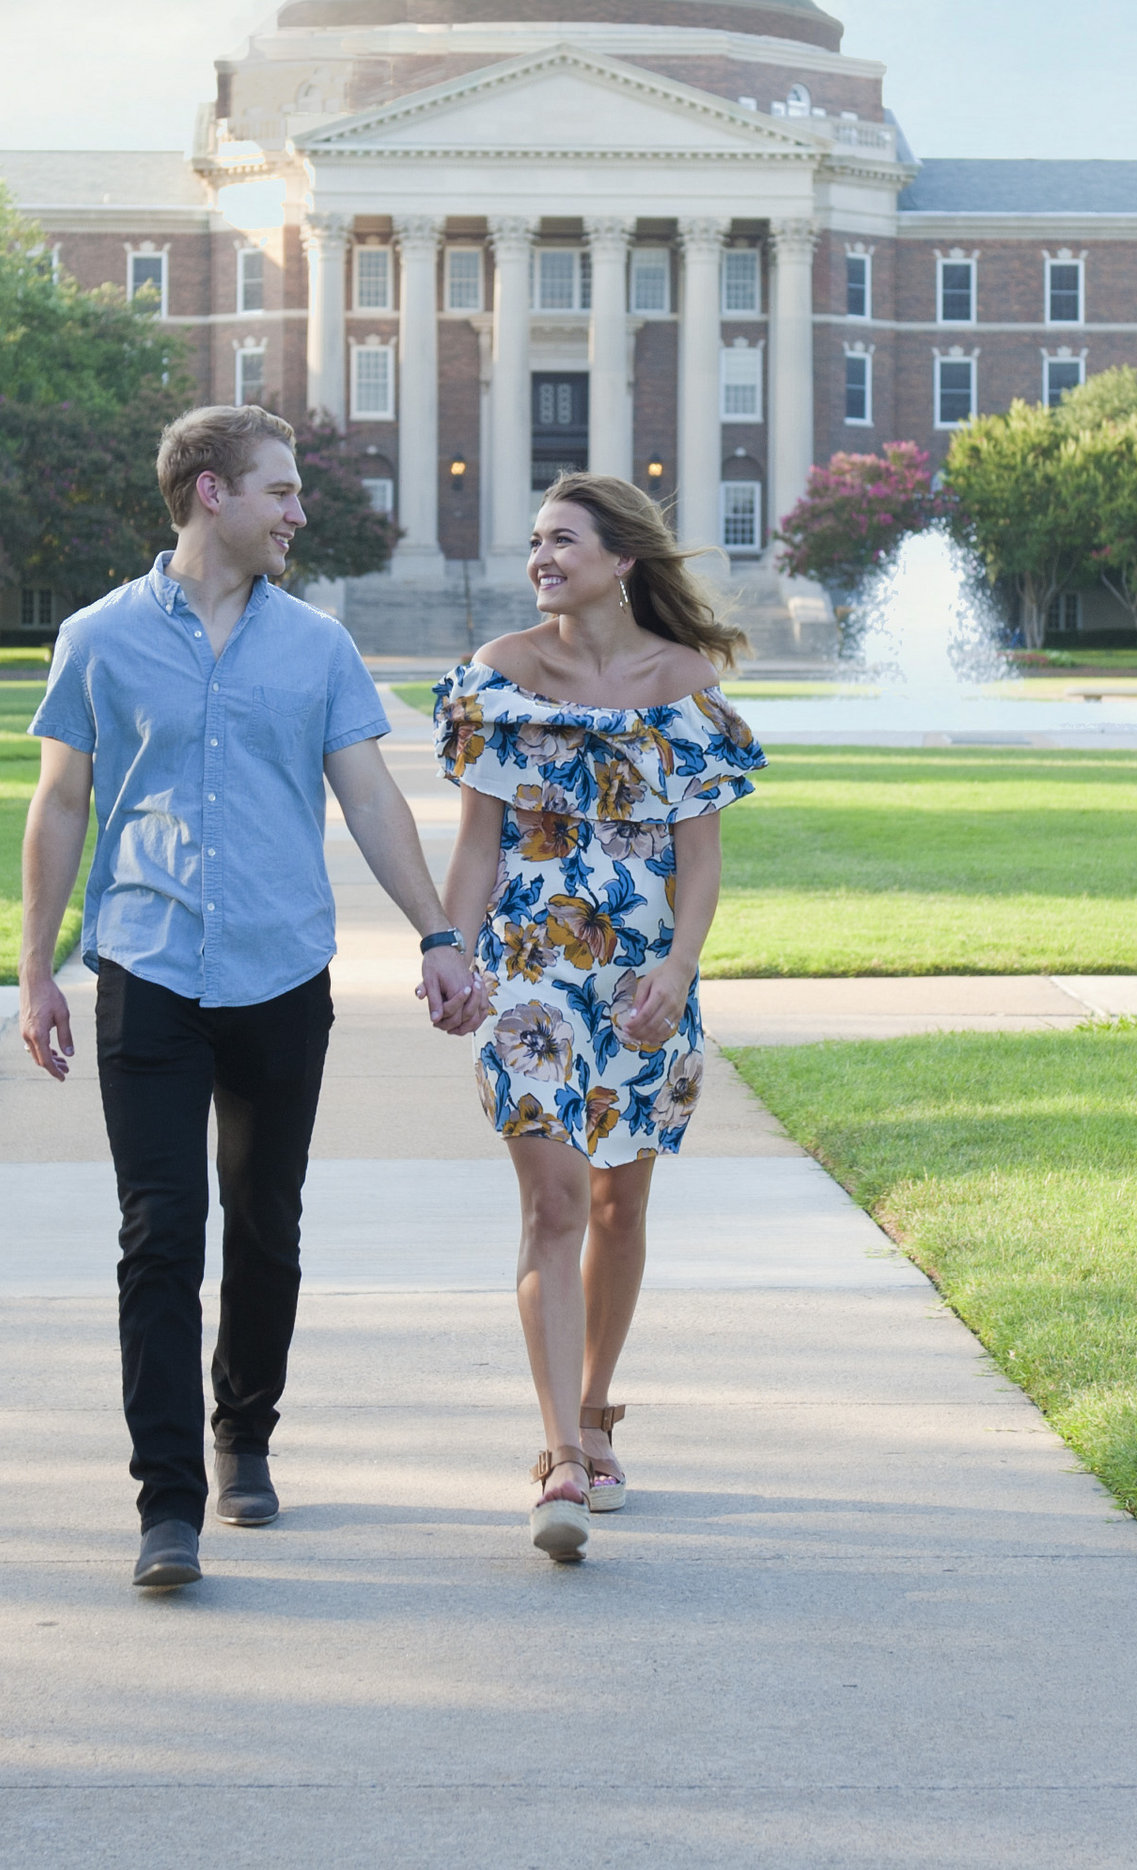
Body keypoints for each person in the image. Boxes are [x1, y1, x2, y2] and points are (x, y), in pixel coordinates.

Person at [20, 404, 484, 1592]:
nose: (298, 510)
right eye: (280, 490)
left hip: (281, 967)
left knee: (265, 1226)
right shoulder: (99, 637)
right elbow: (61, 803)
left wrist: (436, 932)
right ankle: (165, 1502)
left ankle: (245, 1437)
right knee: (160, 1235)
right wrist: (36, 964)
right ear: (210, 494)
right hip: (147, 963)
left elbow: (374, 801)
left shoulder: (317, 646)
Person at [432, 472, 764, 1562]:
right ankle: (558, 1456)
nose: (540, 556)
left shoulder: (683, 684)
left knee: (619, 1206)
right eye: (534, 541)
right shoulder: (499, 676)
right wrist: (453, 951)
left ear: (622, 560)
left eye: (562, 539)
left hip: (640, 980)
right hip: (528, 964)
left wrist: (677, 964)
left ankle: (596, 1404)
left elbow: (700, 861)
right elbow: (477, 840)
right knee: (555, 1199)